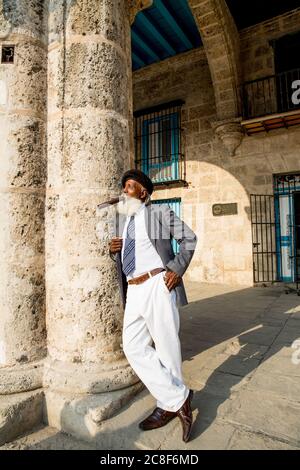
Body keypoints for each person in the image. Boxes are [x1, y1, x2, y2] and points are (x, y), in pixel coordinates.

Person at [109, 169, 197, 443]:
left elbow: (189, 238)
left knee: (167, 347)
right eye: (124, 187)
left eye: (130, 186)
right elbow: (128, 256)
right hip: (133, 289)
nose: (125, 191)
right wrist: (114, 251)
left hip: (157, 284)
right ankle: (179, 397)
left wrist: (176, 269)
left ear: (143, 192)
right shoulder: (123, 222)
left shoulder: (159, 214)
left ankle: (166, 406)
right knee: (133, 346)